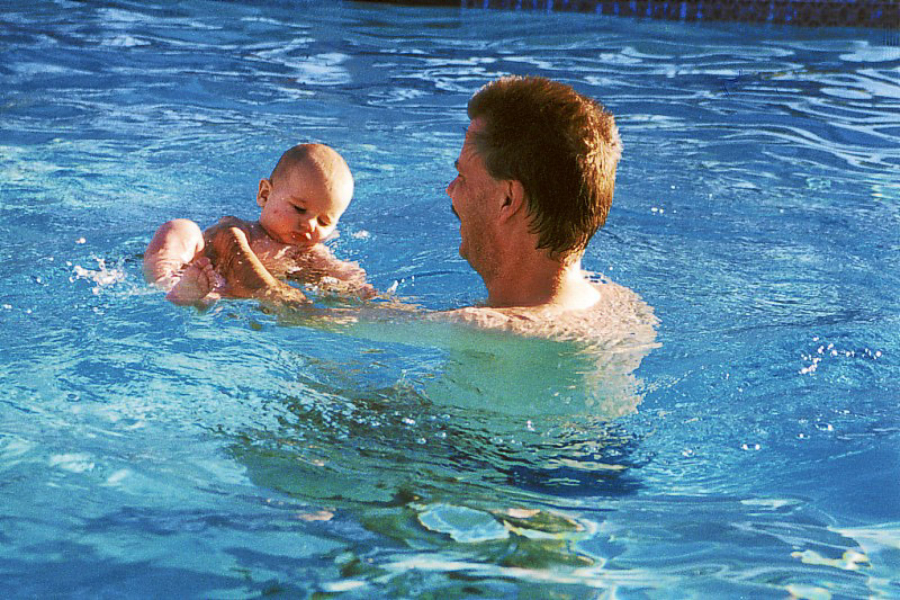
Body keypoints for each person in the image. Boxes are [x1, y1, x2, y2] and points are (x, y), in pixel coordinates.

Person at [204, 76, 655, 342]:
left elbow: (298, 316)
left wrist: (230, 242)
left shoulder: (487, 329)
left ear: (507, 199)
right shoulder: (622, 306)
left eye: (463, 177)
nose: (450, 191)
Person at [143, 143, 371, 307]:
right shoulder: (243, 231)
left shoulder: (308, 255)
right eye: (299, 209)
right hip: (197, 269)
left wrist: (359, 289)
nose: (309, 225)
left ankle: (201, 296)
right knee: (182, 227)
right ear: (264, 194)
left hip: (225, 294)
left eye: (323, 221)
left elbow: (344, 280)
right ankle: (168, 282)